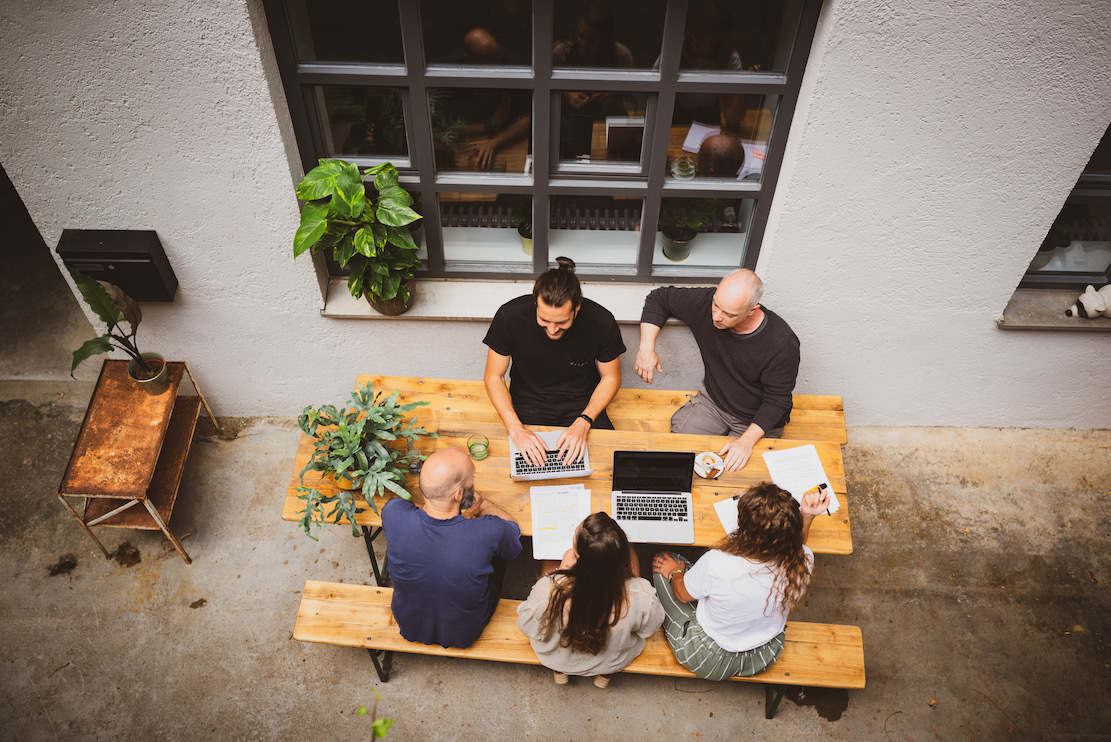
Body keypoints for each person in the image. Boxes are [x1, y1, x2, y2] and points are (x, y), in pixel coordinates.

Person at [651, 482, 828, 681]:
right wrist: (808, 515)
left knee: (665, 561)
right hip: (764, 652)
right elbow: (796, 545)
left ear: (740, 525)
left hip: (708, 657)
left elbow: (682, 594)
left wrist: (675, 571)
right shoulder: (804, 559)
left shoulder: (718, 563)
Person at [635, 269, 799, 472]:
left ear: (752, 310)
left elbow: (777, 401)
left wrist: (746, 441)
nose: (716, 317)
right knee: (676, 458)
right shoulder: (707, 304)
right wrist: (646, 348)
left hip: (754, 419)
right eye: (716, 305)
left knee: (734, 478)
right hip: (713, 403)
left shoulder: (782, 343)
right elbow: (659, 298)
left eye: (729, 314)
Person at [484, 256, 625, 466]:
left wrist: (584, 422)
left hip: (583, 404)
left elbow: (611, 377)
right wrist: (516, 429)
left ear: (577, 307)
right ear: (535, 302)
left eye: (562, 322)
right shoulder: (509, 316)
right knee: (517, 469)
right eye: (544, 320)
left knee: (611, 467)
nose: (552, 329)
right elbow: (493, 377)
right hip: (528, 403)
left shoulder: (601, 321)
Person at [381, 446, 522, 649]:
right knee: (501, 550)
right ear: (458, 494)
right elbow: (513, 530)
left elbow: (425, 518)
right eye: (471, 478)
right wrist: (472, 499)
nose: (473, 481)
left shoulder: (394, 513)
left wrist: (460, 517)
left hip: (409, 623)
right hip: (466, 631)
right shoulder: (489, 530)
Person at [516, 512, 665, 687]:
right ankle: (604, 675)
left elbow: (527, 624)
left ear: (577, 558)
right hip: (612, 658)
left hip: (559, 657)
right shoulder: (640, 595)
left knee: (547, 567)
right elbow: (649, 627)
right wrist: (636, 580)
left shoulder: (550, 590)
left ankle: (560, 671)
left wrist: (560, 573)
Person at [444, 27, 531, 171]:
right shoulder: (448, 71)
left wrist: (494, 142)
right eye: (490, 63)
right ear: (468, 58)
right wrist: (488, 126)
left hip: (507, 138)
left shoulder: (511, 63)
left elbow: (532, 117)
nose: (498, 65)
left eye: (498, 58)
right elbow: (440, 125)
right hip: (466, 139)